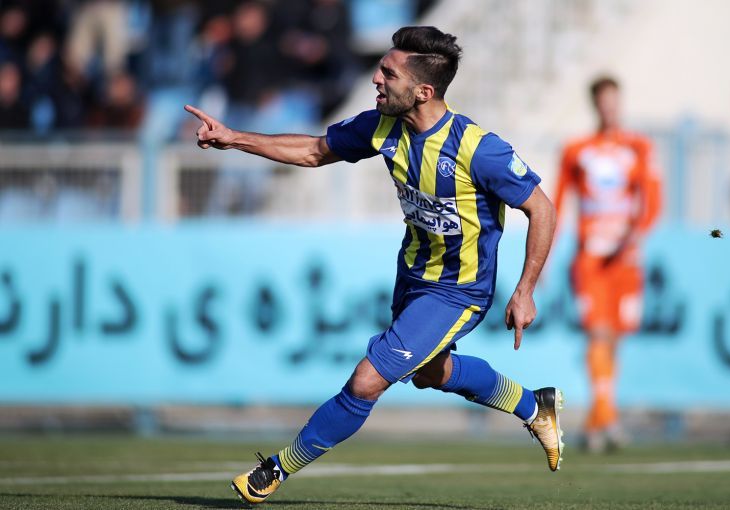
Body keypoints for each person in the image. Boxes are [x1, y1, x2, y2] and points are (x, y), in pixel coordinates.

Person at [186, 26, 562, 505]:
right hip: (413, 277)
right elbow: (314, 151)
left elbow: (541, 208)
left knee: (367, 381)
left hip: (459, 290)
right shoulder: (383, 126)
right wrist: (234, 138)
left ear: (423, 91)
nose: (376, 79)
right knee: (430, 372)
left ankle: (275, 469)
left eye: (388, 72)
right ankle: (534, 405)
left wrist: (525, 289)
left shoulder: (477, 148)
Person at [554, 76, 662, 453]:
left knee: (614, 339)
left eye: (614, 100)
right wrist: (546, 253)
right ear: (595, 105)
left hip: (625, 259)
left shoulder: (639, 147)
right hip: (591, 257)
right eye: (603, 101)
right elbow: (558, 202)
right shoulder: (576, 150)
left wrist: (636, 235)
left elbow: (652, 200)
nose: (609, 107)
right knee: (597, 333)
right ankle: (608, 419)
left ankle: (598, 422)